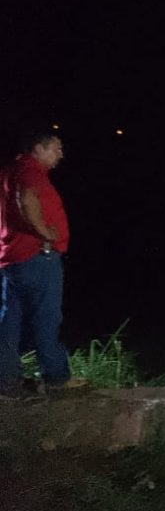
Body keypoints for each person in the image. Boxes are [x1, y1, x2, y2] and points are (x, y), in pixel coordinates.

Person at [0, 130, 77, 398]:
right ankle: (56, 378)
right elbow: (27, 198)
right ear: (37, 149)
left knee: (9, 323)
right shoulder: (31, 172)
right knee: (47, 318)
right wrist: (44, 231)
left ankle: (6, 381)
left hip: (10, 259)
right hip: (37, 257)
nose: (60, 154)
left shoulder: (8, 171)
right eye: (55, 148)